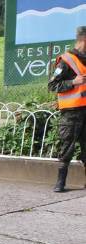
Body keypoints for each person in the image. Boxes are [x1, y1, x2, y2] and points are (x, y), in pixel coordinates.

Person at [49, 26, 86, 192]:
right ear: (84, 40)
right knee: (67, 147)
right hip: (71, 113)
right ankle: (60, 183)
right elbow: (53, 85)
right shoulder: (67, 60)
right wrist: (73, 82)